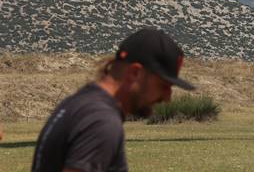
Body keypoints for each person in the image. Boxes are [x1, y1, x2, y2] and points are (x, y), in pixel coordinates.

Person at [31, 27, 195, 172]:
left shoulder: (81, 103)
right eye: (164, 85)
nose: (167, 97)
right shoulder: (102, 122)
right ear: (135, 73)